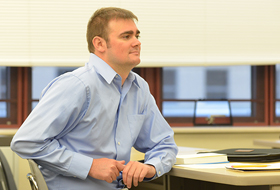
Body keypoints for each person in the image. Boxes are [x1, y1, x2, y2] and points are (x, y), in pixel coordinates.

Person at [10, 7, 178, 190]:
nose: (137, 42)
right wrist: (89, 166)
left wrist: (150, 166)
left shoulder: (139, 88)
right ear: (99, 44)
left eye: (137, 36)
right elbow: (25, 142)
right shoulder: (77, 85)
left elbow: (164, 143)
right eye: (126, 36)